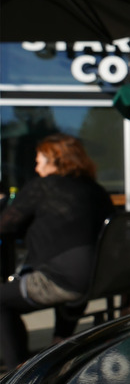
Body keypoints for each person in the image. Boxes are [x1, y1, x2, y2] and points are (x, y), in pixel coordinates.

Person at [0, 133, 115, 369]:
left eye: (40, 159)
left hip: (64, 280)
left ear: (56, 160)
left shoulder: (43, 187)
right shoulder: (96, 190)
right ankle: (59, 341)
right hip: (97, 277)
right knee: (67, 270)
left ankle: (19, 374)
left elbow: (6, 225)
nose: (36, 165)